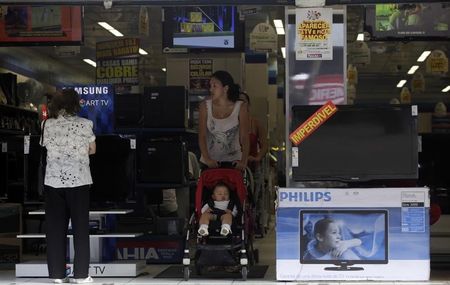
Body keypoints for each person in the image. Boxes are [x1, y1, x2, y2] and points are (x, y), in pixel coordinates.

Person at [41, 88, 96, 284]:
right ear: (76, 104)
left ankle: (57, 274)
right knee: (80, 228)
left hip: (53, 181)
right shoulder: (85, 124)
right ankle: (81, 275)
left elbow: (44, 146)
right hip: (79, 180)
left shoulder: (46, 124)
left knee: (55, 229)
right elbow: (92, 150)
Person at [198, 70, 249, 171]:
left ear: (225, 88)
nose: (211, 89)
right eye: (210, 86)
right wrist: (207, 159)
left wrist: (243, 162)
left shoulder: (240, 107)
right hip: (210, 162)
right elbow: (202, 136)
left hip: (233, 162)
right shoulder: (205, 106)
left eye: (214, 86)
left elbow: (244, 137)